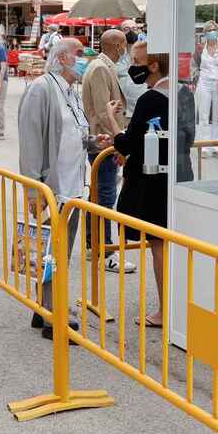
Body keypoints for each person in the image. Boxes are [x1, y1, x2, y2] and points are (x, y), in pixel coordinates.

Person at [17, 37, 106, 340]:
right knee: (52, 251)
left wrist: (94, 142)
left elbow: (74, 132)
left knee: (59, 252)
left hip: (72, 186)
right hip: (52, 188)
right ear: (64, 58)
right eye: (80, 54)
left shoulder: (71, 91)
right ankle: (53, 314)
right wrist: (33, 188)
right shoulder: (42, 88)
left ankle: (45, 305)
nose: (85, 59)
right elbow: (30, 140)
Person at [102, 49, 194, 328]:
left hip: (153, 181)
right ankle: (176, 305)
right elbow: (187, 136)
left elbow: (128, 143)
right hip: (181, 171)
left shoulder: (150, 98)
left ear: (154, 65)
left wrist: (110, 119)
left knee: (158, 245)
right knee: (172, 243)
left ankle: (166, 311)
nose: (133, 68)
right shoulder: (185, 93)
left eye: (138, 63)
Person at [81, 29, 134, 273]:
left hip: (101, 138)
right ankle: (106, 251)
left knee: (99, 193)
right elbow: (104, 112)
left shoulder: (103, 66)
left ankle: (95, 246)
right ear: (116, 45)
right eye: (124, 44)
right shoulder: (101, 68)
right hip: (103, 140)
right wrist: (117, 141)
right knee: (105, 195)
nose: (126, 49)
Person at [194, 22, 218, 157]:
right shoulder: (200, 48)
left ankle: (217, 145)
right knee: (203, 116)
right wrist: (197, 78)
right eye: (209, 30)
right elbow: (194, 66)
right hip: (204, 83)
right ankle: (204, 146)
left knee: (217, 115)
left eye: (214, 30)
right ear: (205, 33)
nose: (212, 32)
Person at [118, 20, 148, 117]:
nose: (131, 32)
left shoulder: (146, 51)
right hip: (123, 111)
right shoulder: (116, 53)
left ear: (138, 31)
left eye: (134, 28)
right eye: (126, 29)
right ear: (121, 32)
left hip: (142, 108)